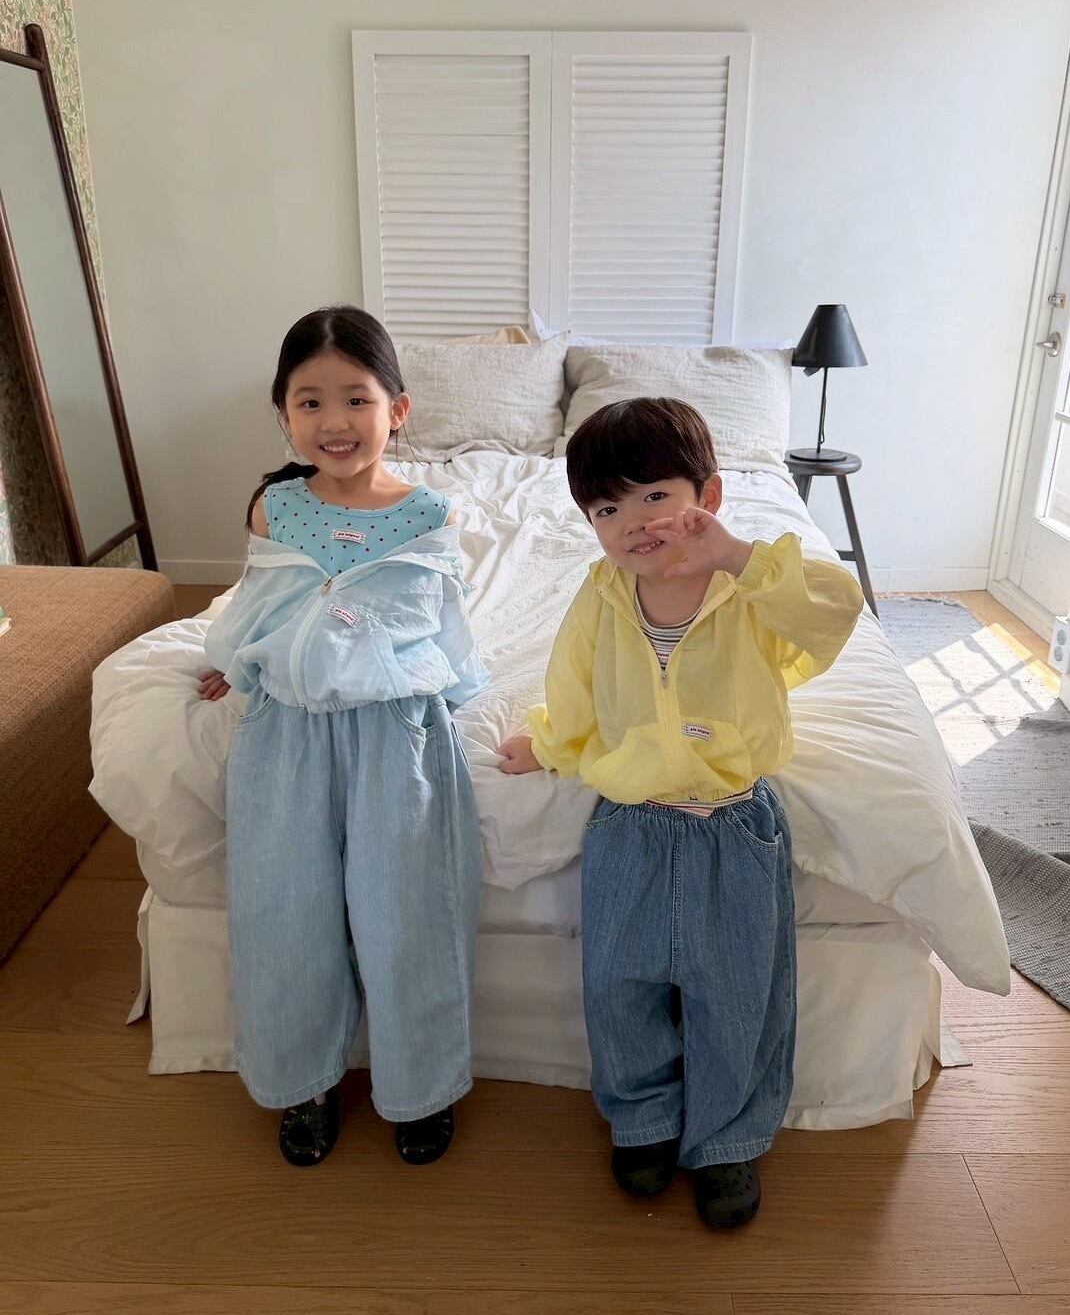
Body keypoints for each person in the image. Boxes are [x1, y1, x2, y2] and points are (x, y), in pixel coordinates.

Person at [499, 396, 862, 1229]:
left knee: (737, 994)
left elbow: (834, 610)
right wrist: (547, 744)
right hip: (629, 823)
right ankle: (643, 1119)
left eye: (655, 496)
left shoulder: (749, 591)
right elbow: (575, 688)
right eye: (607, 509)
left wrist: (737, 556)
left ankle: (729, 1138)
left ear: (709, 495)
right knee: (618, 986)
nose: (634, 522)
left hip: (734, 825)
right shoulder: (601, 596)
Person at [199, 304, 488, 1168]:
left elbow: (439, 621)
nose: (335, 421)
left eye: (356, 399)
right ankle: (304, 1081)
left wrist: (459, 695)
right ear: (284, 415)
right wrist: (230, 663)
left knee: (409, 915)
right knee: (284, 912)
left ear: (397, 409)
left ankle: (422, 1086)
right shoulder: (275, 509)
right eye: (311, 402)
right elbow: (258, 604)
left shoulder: (430, 512)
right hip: (286, 736)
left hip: (396, 735)